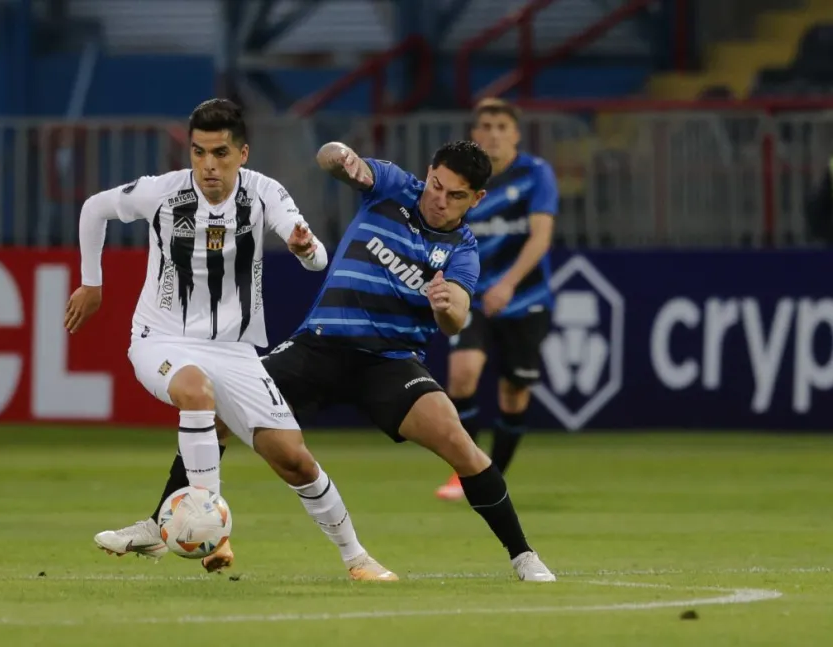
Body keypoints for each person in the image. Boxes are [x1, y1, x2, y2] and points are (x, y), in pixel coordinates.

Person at [152, 139, 556, 582]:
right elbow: (335, 161)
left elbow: (457, 318)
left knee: (461, 445)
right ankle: (162, 525)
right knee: (218, 405)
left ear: (476, 198)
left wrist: (446, 305)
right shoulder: (394, 187)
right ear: (429, 171)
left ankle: (523, 556)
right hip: (321, 344)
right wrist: (339, 154)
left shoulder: (462, 250)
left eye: (455, 195)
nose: (439, 199)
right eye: (437, 185)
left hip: (390, 361)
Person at [65, 98, 395, 582]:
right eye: (198, 153)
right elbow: (95, 209)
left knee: (294, 459)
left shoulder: (265, 193)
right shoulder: (161, 192)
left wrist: (305, 248)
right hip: (161, 339)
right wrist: (92, 283)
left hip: (235, 349)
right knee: (196, 392)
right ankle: (212, 535)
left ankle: (356, 558)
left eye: (219, 153)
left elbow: (317, 257)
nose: (207, 165)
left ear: (243, 153)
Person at [435, 99, 558, 502]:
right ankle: (467, 472)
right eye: (486, 125)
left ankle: (496, 474)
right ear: (475, 133)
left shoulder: (536, 174)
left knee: (514, 391)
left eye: (502, 125)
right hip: (471, 295)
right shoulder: (463, 180)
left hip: (526, 298)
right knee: (463, 374)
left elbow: (541, 237)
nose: (493, 133)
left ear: (516, 133)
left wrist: (508, 283)